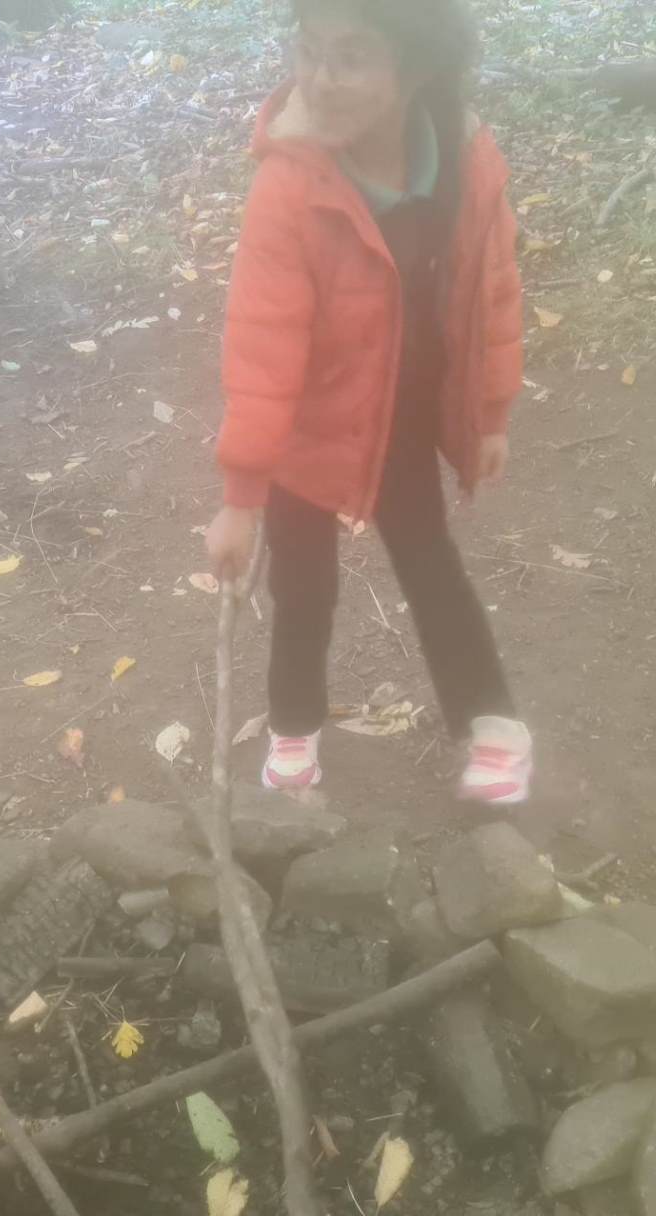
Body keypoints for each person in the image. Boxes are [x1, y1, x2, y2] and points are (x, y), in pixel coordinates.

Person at [204, 0, 530, 804]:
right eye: (310, 49)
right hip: (307, 431)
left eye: (352, 56)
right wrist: (241, 499)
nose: (320, 78)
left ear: (415, 67)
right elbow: (263, 344)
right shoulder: (290, 184)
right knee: (302, 586)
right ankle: (293, 727)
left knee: (430, 563)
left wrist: (490, 413)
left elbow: (490, 291)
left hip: (402, 418)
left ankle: (491, 723)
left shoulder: (464, 161)